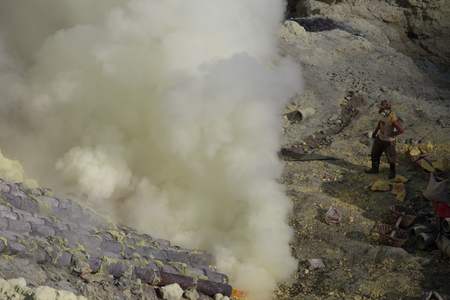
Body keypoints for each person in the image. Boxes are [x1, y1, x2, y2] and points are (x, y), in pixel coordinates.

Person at [364, 100, 404, 179]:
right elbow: (380, 123)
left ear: (388, 108)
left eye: (383, 108)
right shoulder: (383, 115)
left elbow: (401, 130)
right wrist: (375, 132)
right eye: (381, 108)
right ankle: (374, 169)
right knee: (375, 154)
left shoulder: (392, 117)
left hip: (388, 141)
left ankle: (392, 171)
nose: (381, 110)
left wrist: (393, 134)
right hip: (380, 137)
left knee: (390, 157)